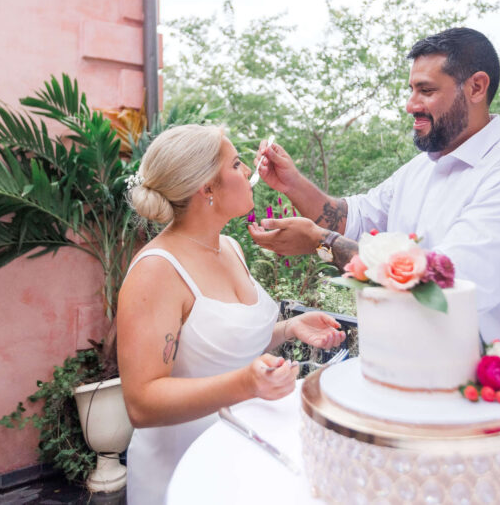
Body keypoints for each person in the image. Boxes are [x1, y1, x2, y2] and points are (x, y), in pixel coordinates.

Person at [247, 27, 500, 373]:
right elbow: (352, 219)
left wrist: (321, 244)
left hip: (486, 397)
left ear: (476, 87)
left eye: (426, 91)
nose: (410, 105)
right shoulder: (420, 170)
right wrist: (293, 184)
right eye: (411, 90)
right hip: (397, 379)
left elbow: (439, 287)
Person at [117, 124, 346, 505]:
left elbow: (219, 344)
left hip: (243, 454)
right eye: (237, 164)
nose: (247, 172)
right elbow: (141, 403)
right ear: (207, 188)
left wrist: (289, 328)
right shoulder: (157, 271)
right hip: (181, 469)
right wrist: (247, 384)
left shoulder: (229, 247)